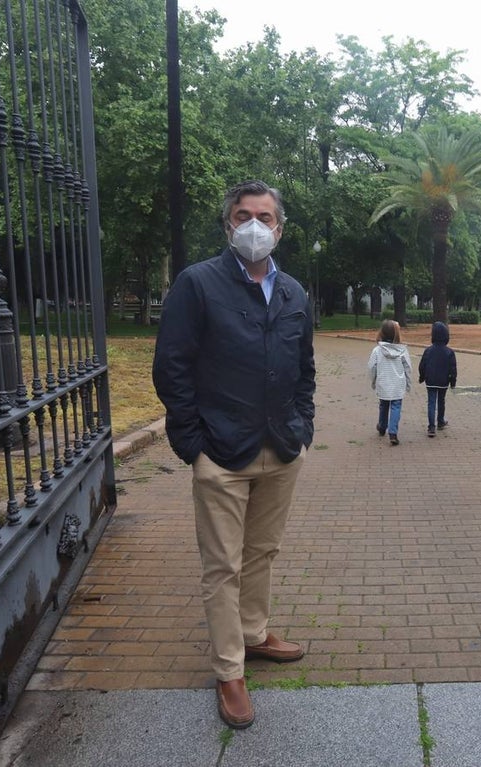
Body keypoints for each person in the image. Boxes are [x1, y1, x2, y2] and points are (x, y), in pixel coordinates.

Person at [152, 180, 315, 730]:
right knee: (222, 565)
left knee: (262, 552)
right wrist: (193, 445)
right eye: (244, 215)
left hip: (282, 448)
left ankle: (254, 634)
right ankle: (229, 669)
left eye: (264, 217)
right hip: (221, 452)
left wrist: (304, 425)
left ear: (279, 227)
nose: (254, 225)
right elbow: (171, 368)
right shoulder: (197, 283)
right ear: (228, 223)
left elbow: (305, 369)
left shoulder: (293, 292)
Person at [368, 319, 411, 445]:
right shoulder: (402, 350)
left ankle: (382, 427)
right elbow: (408, 368)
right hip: (398, 384)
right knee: (396, 406)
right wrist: (408, 383)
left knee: (384, 405)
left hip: (383, 383)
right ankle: (393, 432)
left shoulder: (377, 351)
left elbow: (372, 367)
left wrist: (373, 380)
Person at [418, 321, 458, 437]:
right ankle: (440, 421)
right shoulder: (449, 352)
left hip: (430, 380)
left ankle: (431, 427)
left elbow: (422, 365)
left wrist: (422, 377)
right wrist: (453, 382)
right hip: (443, 381)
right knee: (441, 401)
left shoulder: (428, 351)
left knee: (431, 402)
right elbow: (453, 369)